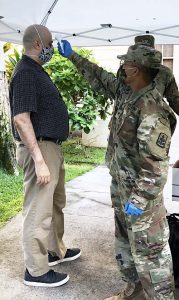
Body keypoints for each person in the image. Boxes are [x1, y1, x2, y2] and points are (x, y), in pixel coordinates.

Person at [57, 41, 177, 299]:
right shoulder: (126, 92)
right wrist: (73, 56)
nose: (122, 66)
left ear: (136, 69)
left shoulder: (152, 110)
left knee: (151, 257)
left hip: (141, 198)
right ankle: (132, 293)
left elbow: (156, 167)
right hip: (122, 187)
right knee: (125, 246)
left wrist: (139, 198)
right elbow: (99, 76)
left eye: (126, 63)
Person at [9, 24, 81, 288]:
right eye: (50, 42)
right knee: (38, 211)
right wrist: (39, 160)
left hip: (51, 147)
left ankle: (53, 252)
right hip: (40, 149)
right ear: (38, 44)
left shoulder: (36, 71)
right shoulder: (26, 72)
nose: (53, 47)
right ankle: (36, 271)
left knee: (54, 205)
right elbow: (21, 119)